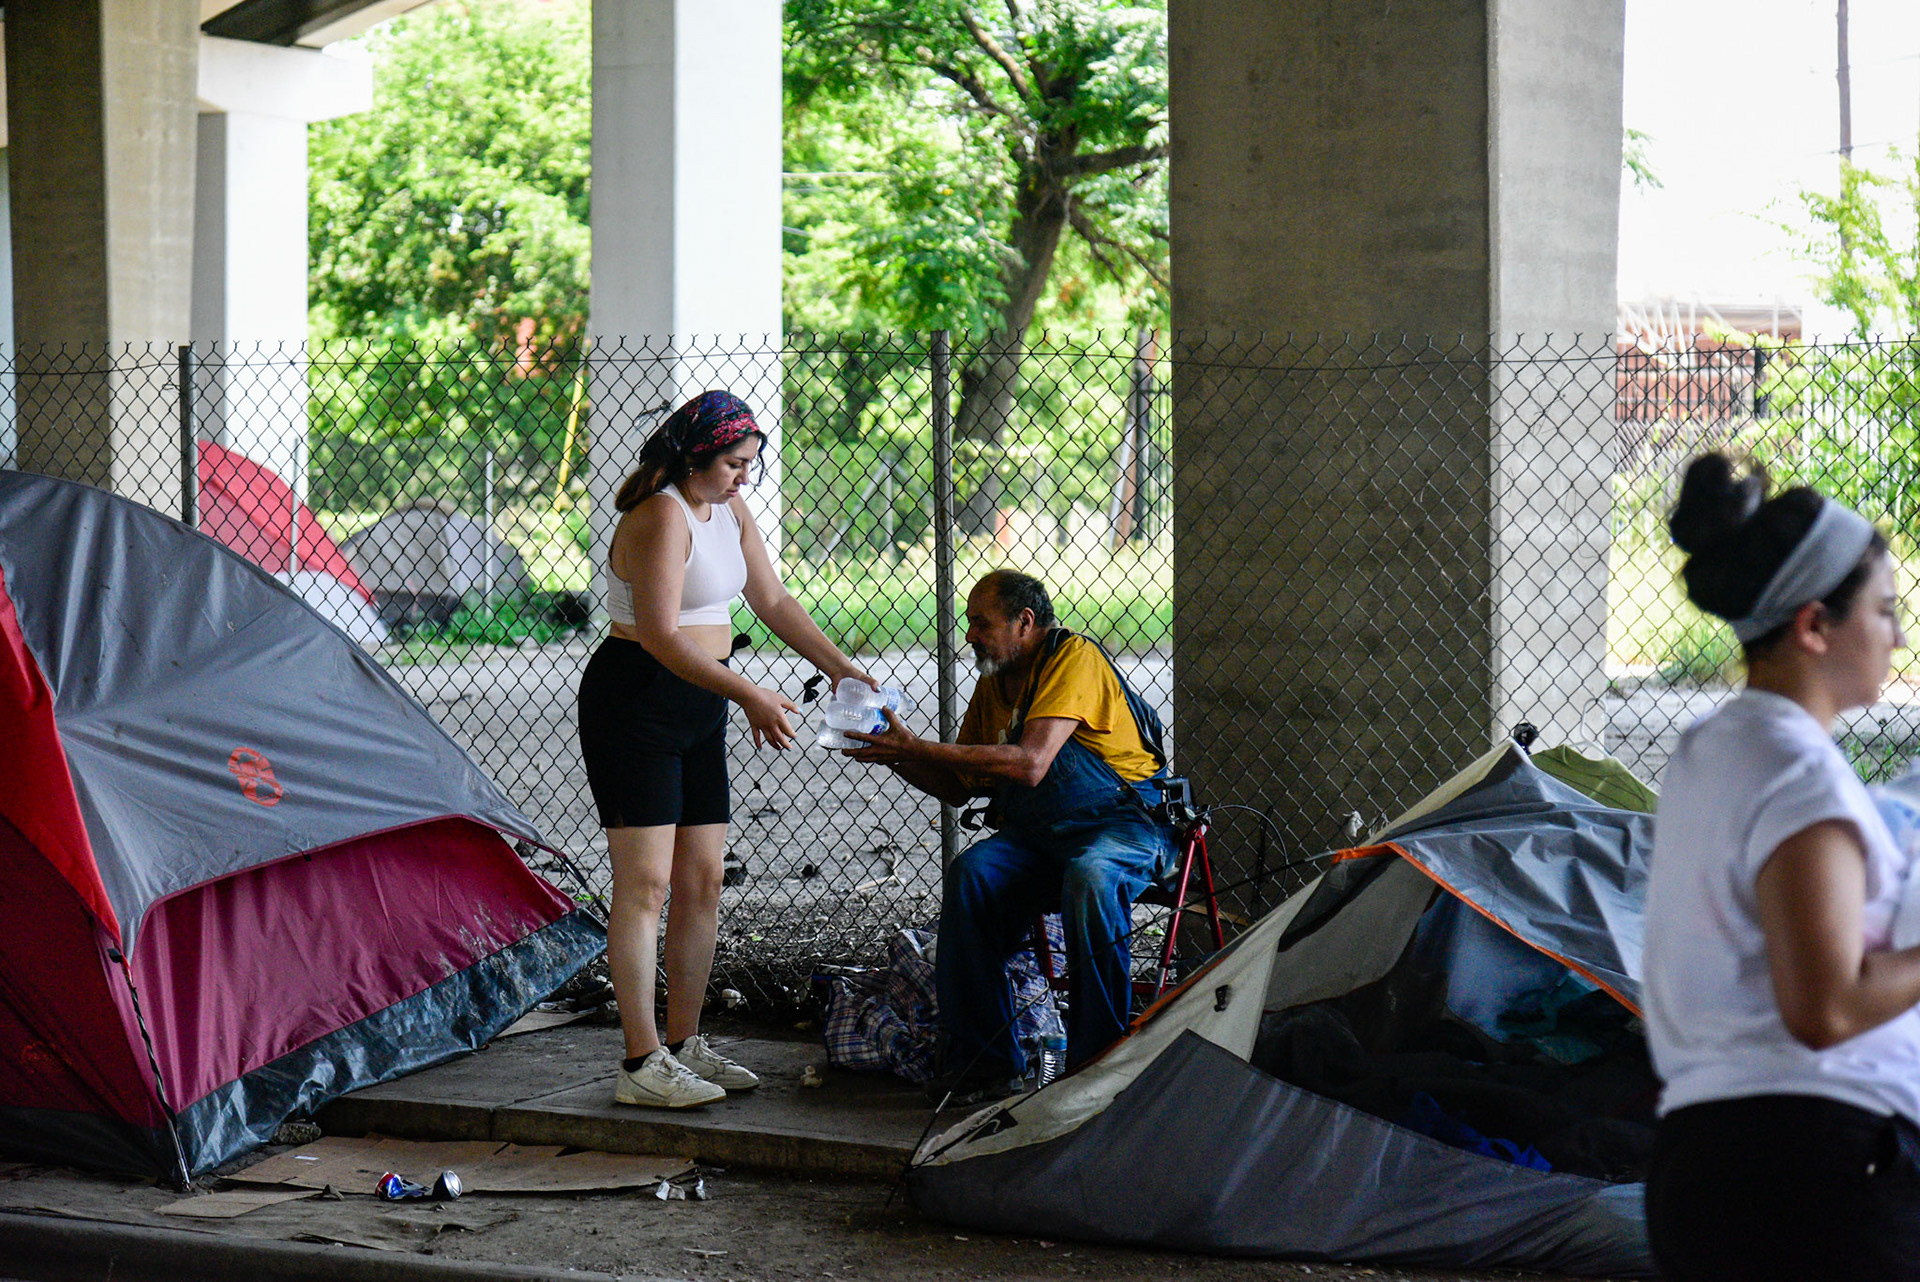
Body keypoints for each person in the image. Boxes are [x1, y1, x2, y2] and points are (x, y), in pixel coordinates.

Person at [1643, 452, 1916, 1280]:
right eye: (1884, 611)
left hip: (1709, 1159)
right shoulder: (1796, 772)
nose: (1898, 636)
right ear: (1813, 626)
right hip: (1819, 1171)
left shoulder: (1710, 751)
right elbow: (1824, 1008)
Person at [578, 390, 874, 1109]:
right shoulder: (658, 516)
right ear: (695, 456)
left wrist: (842, 667)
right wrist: (747, 692)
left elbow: (772, 602)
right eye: (736, 464)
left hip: (697, 703)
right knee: (646, 886)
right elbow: (659, 635)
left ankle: (684, 1044)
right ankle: (641, 1061)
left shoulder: (730, 510)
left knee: (704, 880)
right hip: (637, 701)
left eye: (752, 466)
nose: (746, 478)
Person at [843, 569, 1174, 1102]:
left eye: (980, 623)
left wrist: (921, 746)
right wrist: (893, 753)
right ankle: (985, 1063)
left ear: (1025, 621)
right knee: (972, 875)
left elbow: (1031, 762)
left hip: (1124, 827)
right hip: (1042, 839)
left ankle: (1098, 1066)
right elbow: (958, 787)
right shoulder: (993, 685)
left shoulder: (1074, 658)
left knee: (1090, 877)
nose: (969, 636)